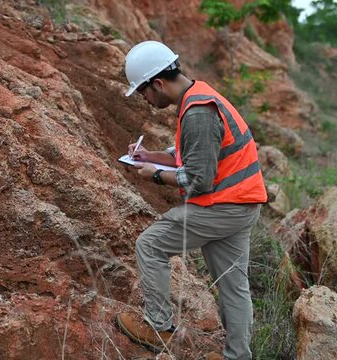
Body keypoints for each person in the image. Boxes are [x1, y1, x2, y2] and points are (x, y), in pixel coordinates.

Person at [115, 41, 267, 360]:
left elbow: (198, 179)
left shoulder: (197, 111)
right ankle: (238, 356)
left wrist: (153, 174)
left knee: (150, 246)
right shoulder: (198, 95)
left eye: (143, 92)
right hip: (243, 203)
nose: (144, 99)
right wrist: (153, 156)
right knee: (232, 286)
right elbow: (193, 152)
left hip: (222, 205)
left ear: (157, 83)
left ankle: (158, 329)